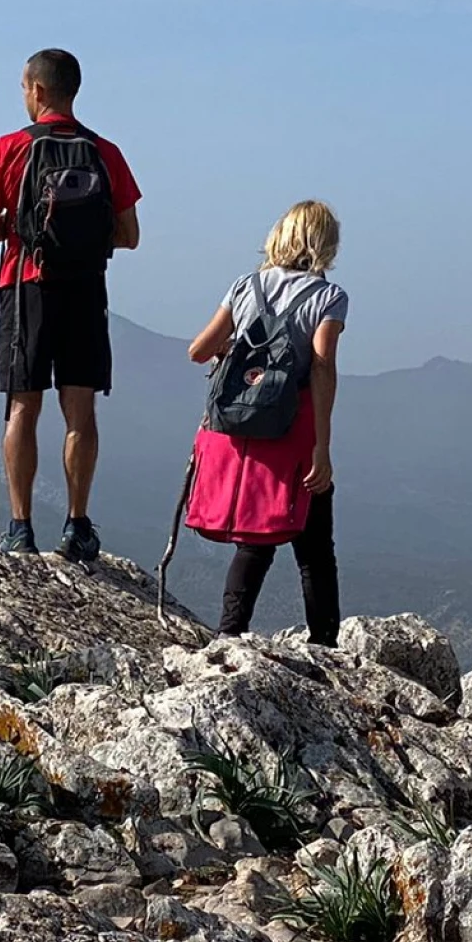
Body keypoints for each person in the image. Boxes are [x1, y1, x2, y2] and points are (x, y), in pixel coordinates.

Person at [0, 47, 141, 561]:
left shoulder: (9, 149)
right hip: (86, 288)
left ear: (37, 90)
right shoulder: (105, 152)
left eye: (23, 87)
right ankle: (77, 522)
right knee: (79, 407)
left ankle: (20, 527)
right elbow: (129, 235)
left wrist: (23, 229)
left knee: (24, 405)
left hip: (26, 284)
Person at [186, 199, 346, 643]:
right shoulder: (329, 298)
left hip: (236, 431)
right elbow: (321, 369)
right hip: (291, 430)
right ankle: (324, 643)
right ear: (324, 244)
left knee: (254, 540)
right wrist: (323, 448)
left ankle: (229, 634)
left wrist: (234, 353)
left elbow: (198, 351)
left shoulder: (244, 287)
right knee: (314, 546)